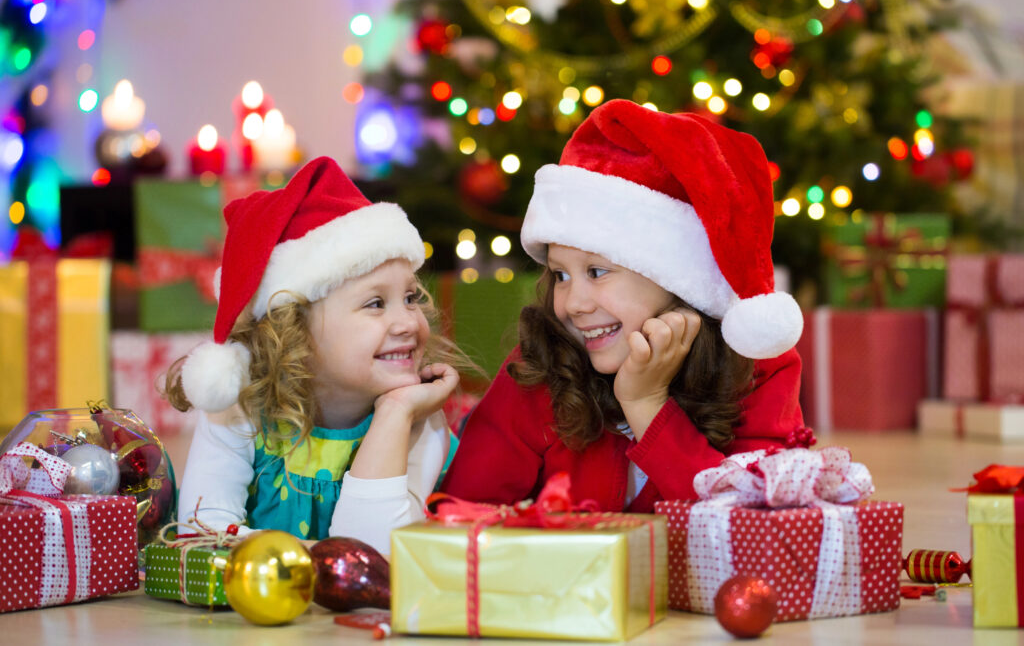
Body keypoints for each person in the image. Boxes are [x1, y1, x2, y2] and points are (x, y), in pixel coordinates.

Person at [442, 99, 805, 511]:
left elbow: (753, 532)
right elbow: (459, 513)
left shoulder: (758, 369)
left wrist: (646, 405)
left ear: (676, 279)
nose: (573, 304)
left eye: (597, 272)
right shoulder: (539, 368)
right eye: (560, 275)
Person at [167, 156, 461, 554]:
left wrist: (394, 415)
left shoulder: (419, 420)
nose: (408, 321)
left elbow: (375, 558)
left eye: (410, 297)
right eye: (376, 303)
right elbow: (202, 536)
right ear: (293, 332)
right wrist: (315, 554)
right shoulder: (241, 412)